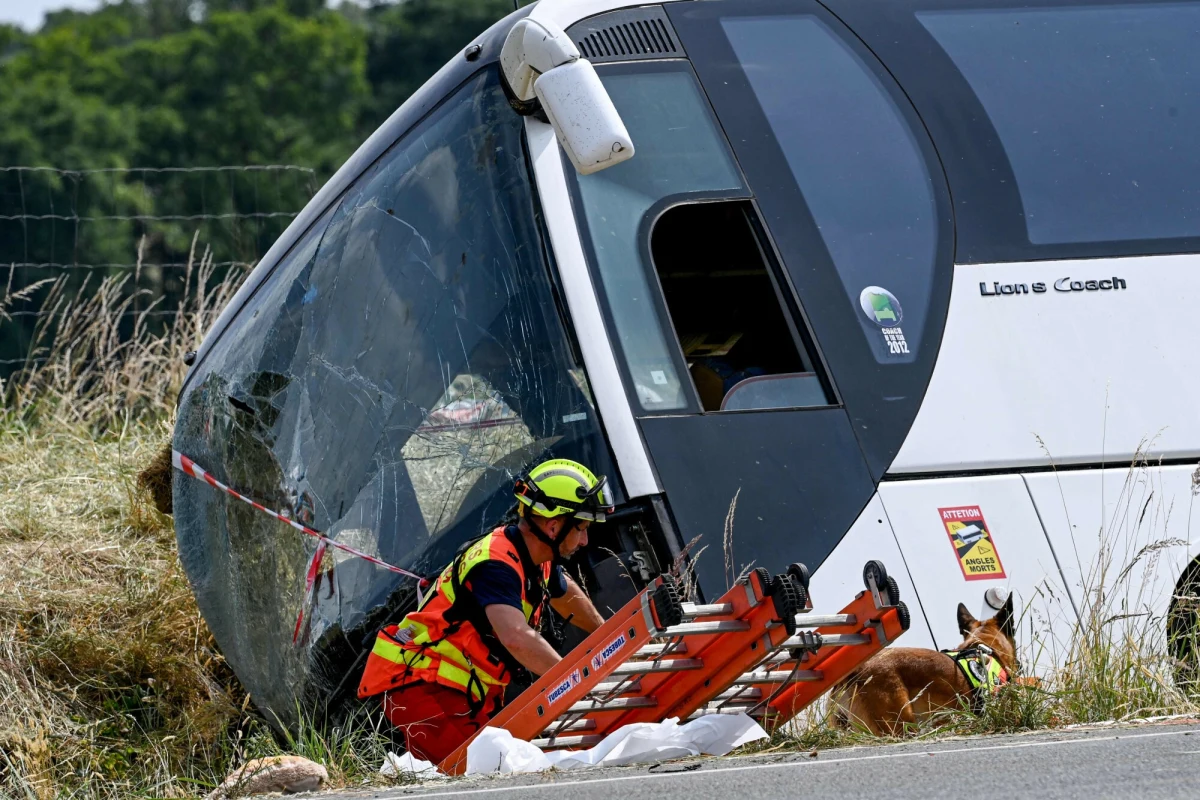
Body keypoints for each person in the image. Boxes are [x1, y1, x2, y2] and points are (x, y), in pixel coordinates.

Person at [357, 458, 612, 764]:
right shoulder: (495, 563)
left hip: (463, 691)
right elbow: (516, 637)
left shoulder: (537, 555)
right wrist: (576, 682)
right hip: (423, 686)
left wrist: (605, 633)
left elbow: (563, 591)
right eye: (582, 528)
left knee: (501, 769)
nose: (585, 540)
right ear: (554, 525)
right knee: (478, 775)